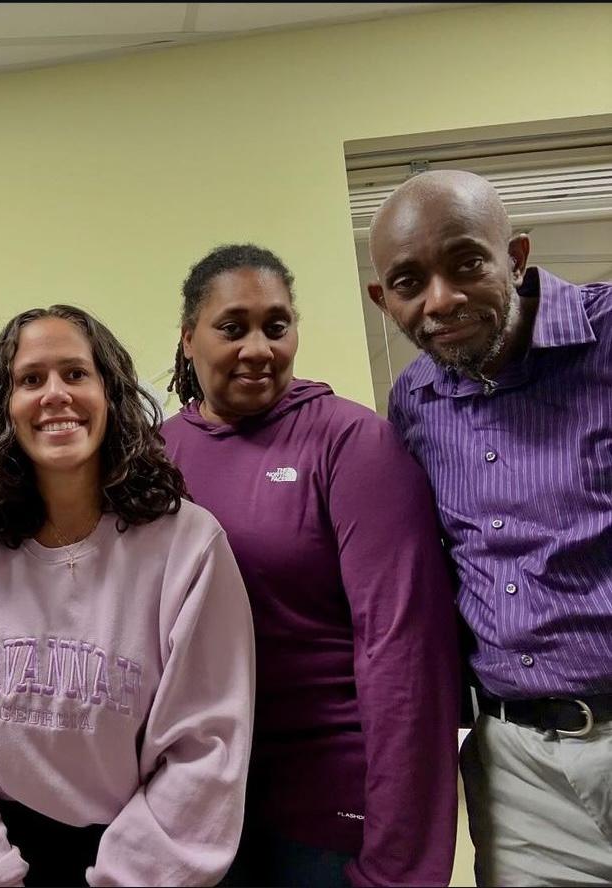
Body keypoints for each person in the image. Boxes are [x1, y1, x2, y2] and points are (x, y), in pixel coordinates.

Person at [0, 304, 255, 887]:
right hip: (0, 852)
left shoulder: (188, 545)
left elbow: (205, 747)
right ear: (3, 407)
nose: (54, 395)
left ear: (111, 394)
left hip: (144, 861)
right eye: (30, 379)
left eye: (76, 374)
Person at [161, 243, 460, 887]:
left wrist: (400, 857)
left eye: (277, 326)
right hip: (197, 806)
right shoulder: (156, 455)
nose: (259, 348)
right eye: (231, 328)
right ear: (188, 339)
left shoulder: (352, 443)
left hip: (328, 808)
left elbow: (403, 651)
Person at [367, 169, 612, 886]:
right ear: (384, 300)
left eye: (466, 262)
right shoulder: (412, 399)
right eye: (409, 282)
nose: (440, 300)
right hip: (515, 771)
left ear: (516, 256)